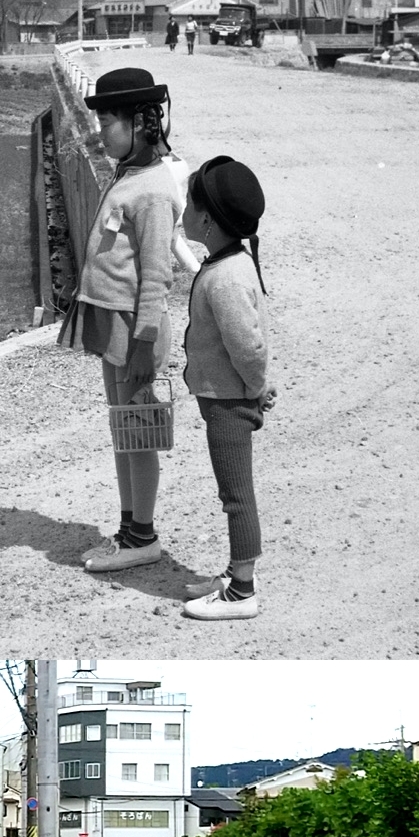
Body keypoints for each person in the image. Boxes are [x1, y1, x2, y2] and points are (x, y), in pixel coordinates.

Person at [58, 67, 185, 573]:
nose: (99, 132)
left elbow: (157, 278)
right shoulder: (129, 174)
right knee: (123, 430)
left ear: (142, 123)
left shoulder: (152, 190)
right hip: (116, 324)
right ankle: (130, 529)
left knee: (138, 433)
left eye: (107, 122)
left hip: (136, 330)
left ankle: (142, 536)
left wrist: (142, 344)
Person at [177, 156, 275, 621]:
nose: (184, 208)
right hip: (224, 397)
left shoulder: (227, 277)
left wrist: (255, 390)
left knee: (237, 494)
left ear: (208, 221)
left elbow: (248, 348)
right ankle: (236, 574)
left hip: (229, 401)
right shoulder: (228, 261)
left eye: (191, 203)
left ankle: (243, 590)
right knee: (232, 491)